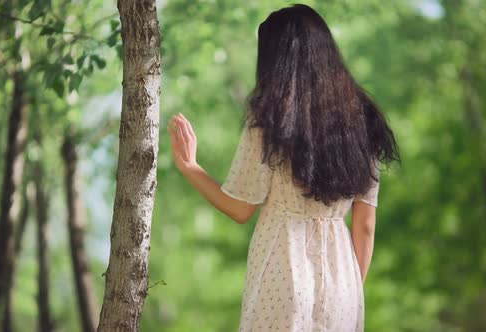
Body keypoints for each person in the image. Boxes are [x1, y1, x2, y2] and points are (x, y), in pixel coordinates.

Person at [167, 3, 400, 331]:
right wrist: (350, 290)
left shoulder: (269, 117)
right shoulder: (363, 119)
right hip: (344, 285)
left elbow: (240, 208)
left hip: (281, 273)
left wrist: (190, 166)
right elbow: (365, 225)